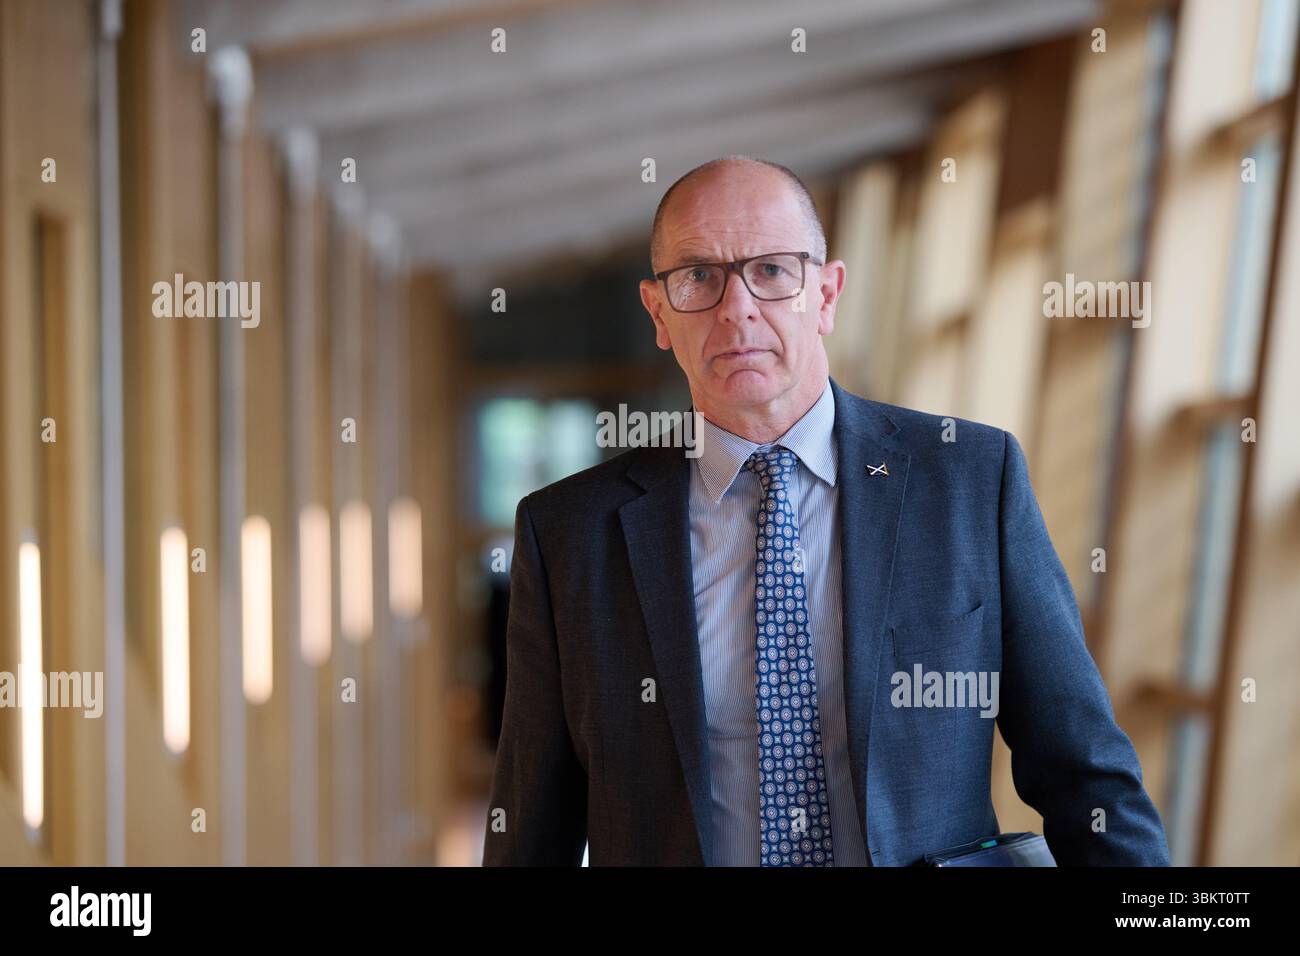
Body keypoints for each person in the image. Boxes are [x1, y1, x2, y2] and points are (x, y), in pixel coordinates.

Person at [482, 155, 1170, 866]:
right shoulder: (569, 533)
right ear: (659, 312)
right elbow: (531, 829)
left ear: (828, 293)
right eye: (699, 278)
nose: (737, 308)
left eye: (774, 271)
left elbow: (1084, 773)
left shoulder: (968, 480)